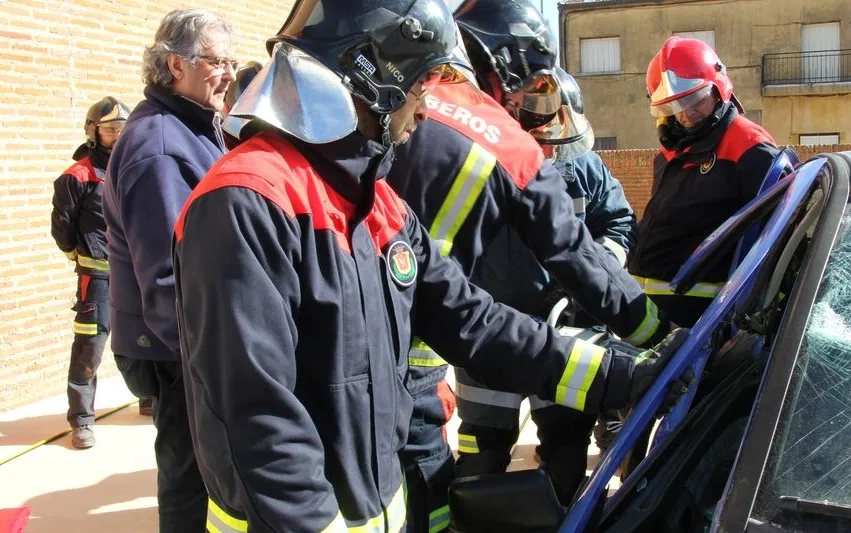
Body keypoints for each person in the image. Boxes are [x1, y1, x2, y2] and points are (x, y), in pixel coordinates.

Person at [173, 1, 686, 531]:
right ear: (372, 78)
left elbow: (475, 322)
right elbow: (259, 419)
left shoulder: (378, 205)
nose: (425, 111)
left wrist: (626, 376)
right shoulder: (245, 203)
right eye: (421, 87)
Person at [383, 0, 670, 522]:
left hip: (355, 341)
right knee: (425, 500)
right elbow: (576, 254)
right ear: (505, 66)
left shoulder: (404, 98)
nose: (530, 108)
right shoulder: (509, 145)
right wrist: (659, 336)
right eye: (533, 86)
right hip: (412, 363)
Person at [102, 8, 235, 532]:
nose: (228, 73)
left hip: (186, 337)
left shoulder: (193, 126)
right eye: (216, 62)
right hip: (176, 345)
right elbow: (167, 280)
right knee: (190, 473)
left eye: (231, 62)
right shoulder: (160, 147)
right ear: (176, 65)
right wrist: (212, 363)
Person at [628, 36, 781, 328]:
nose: (685, 114)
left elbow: (778, 237)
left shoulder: (749, 148)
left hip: (703, 324)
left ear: (718, 88)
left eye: (694, 100)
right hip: (653, 315)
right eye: (674, 106)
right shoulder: (673, 150)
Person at [51, 96, 130, 449]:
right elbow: (62, 229)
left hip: (134, 277)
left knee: (145, 338)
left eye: (122, 129)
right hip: (96, 279)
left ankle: (150, 397)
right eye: (110, 130)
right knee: (90, 348)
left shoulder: (131, 170)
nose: (118, 136)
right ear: (93, 132)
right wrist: (79, 256)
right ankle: (81, 419)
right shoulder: (76, 176)